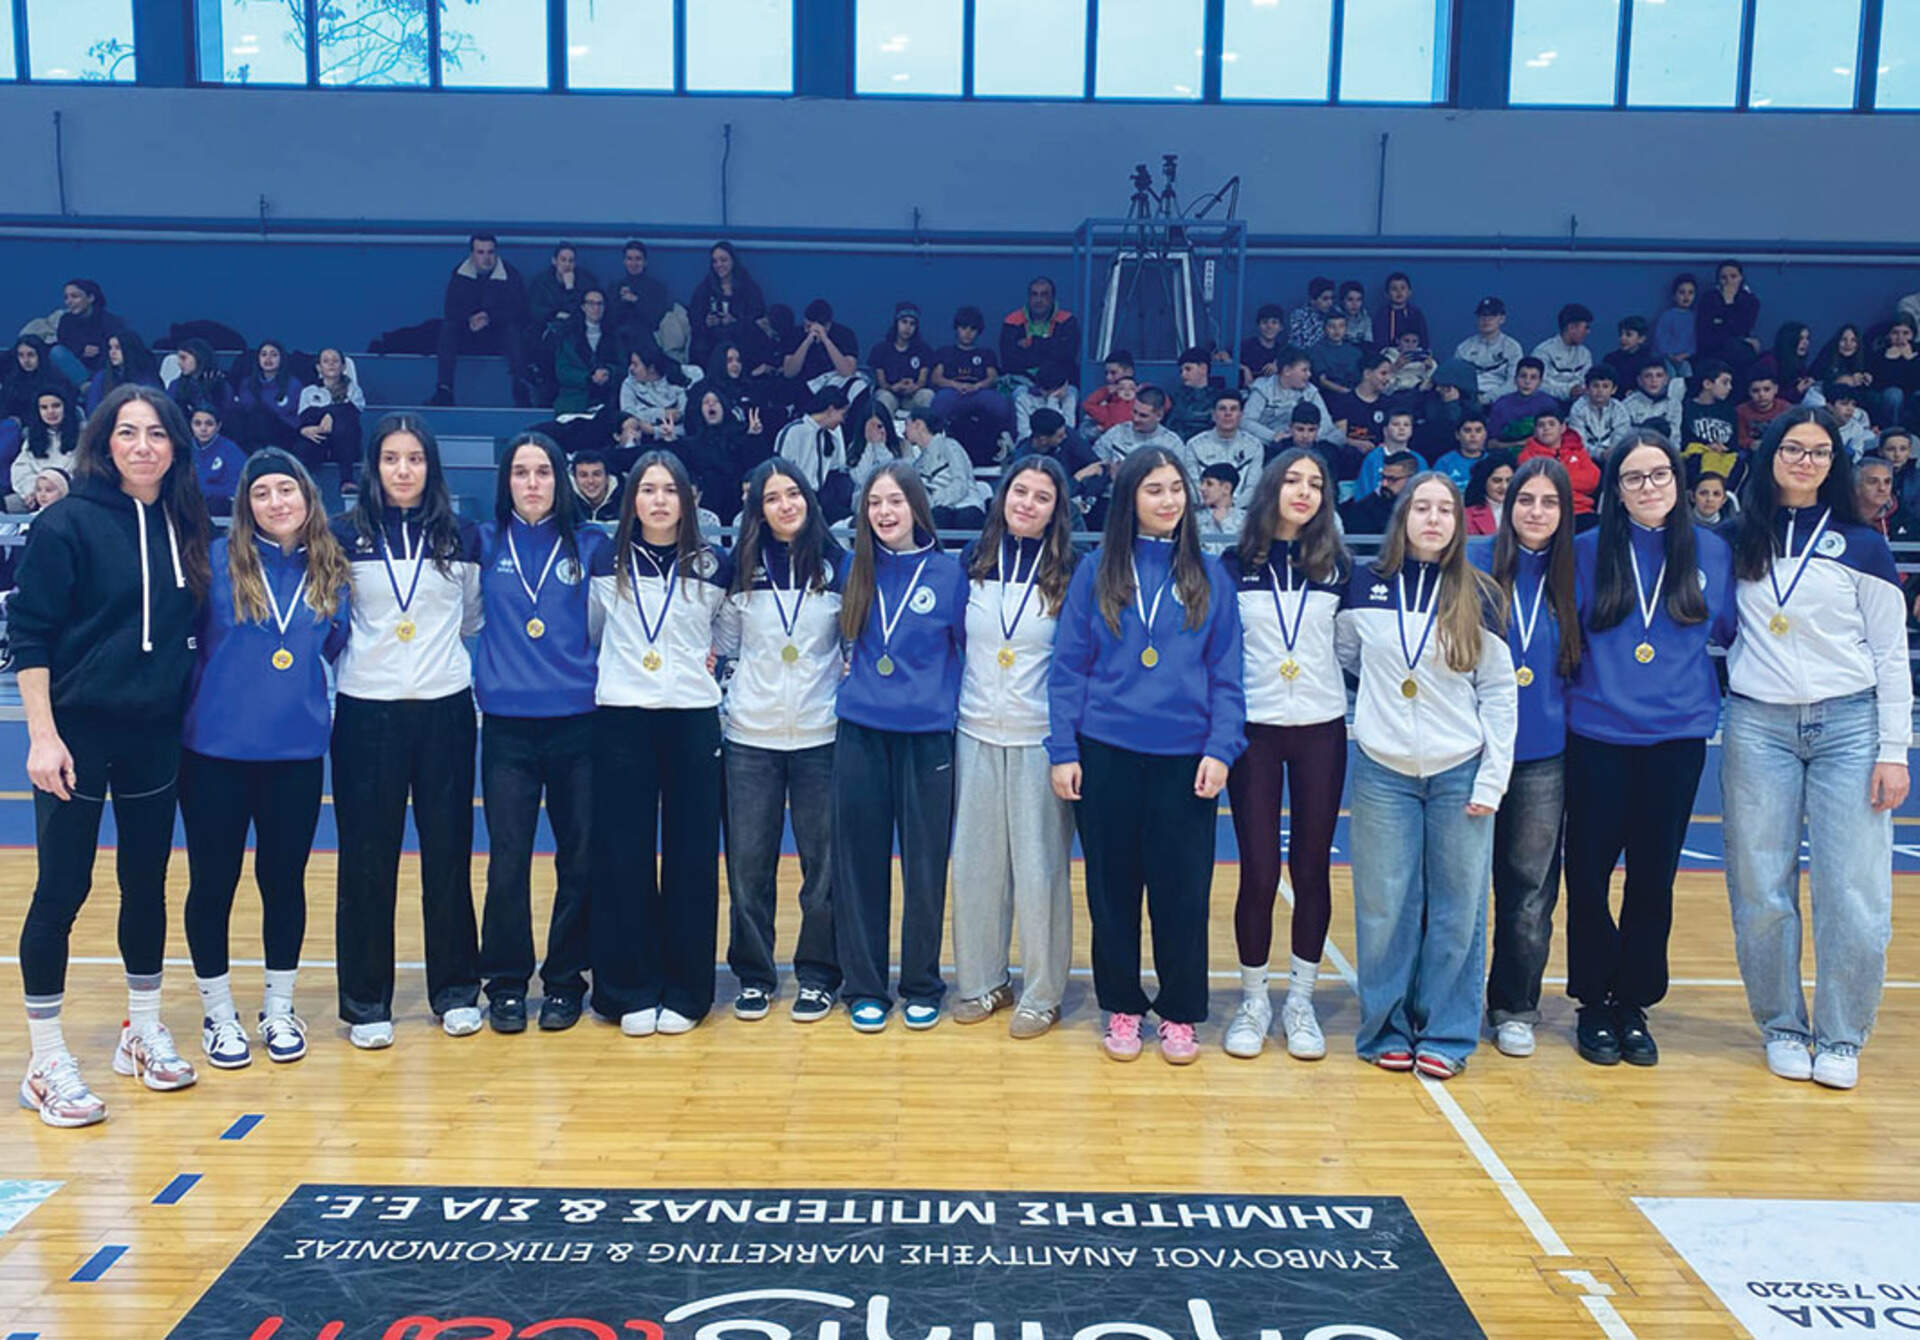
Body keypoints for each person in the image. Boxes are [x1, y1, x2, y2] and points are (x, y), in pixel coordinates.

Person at [12, 385, 213, 1126]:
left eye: (156, 433)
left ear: (175, 445)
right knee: (62, 888)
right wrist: (42, 735)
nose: (142, 446)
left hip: (153, 734)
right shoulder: (66, 521)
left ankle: (141, 1030)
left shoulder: (185, 522)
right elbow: (30, 634)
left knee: (146, 883)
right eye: (128, 432)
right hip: (77, 733)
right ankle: (44, 1059)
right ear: (104, 441)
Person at [1724, 409, 1910, 1090]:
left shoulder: (1862, 545)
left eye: (1821, 451)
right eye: (1794, 448)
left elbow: (1891, 654)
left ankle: (1840, 1036)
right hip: (1758, 725)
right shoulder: (1737, 538)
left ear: (1836, 462)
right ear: (1771, 453)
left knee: (1853, 890)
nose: (1806, 461)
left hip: (1850, 726)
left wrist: (1895, 749)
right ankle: (1781, 1025)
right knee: (1760, 885)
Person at [1048, 448, 1245, 1065]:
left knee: (1182, 892)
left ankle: (1180, 1012)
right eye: (1154, 489)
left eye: (1176, 488)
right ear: (1130, 499)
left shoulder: (1210, 576)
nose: (1168, 500)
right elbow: (1068, 668)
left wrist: (1222, 748)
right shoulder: (1096, 572)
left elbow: (1228, 674)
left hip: (1185, 759)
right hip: (1105, 753)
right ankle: (1122, 1006)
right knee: (1112, 892)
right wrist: (1063, 749)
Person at [1564, 430, 1736, 1068]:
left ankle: (1633, 1001)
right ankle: (1592, 1000)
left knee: (1653, 877)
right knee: (1587, 875)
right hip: (1597, 735)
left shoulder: (1712, 552)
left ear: (1678, 481)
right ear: (1616, 489)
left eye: (1659, 474)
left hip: (1677, 739)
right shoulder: (1585, 551)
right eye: (1633, 477)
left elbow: (1731, 629)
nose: (1649, 487)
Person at [1335, 471, 1514, 1079]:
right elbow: (1348, 656)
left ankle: (1447, 1031)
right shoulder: (1364, 584)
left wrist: (1492, 779)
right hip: (1383, 771)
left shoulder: (1479, 593)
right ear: (1403, 517)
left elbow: (1499, 693)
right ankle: (1384, 1027)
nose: (1433, 519)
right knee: (1385, 906)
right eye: (1422, 508)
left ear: (1459, 523)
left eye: (1445, 510)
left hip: (1459, 770)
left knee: (1458, 907)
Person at [180, 450, 351, 1069]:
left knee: (283, 883)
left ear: (307, 496)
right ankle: (218, 1012)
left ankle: (279, 1008)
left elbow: (335, 647)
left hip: (295, 755)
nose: (276, 502)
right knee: (213, 883)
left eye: (286, 489)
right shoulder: (212, 564)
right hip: (214, 755)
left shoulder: (331, 572)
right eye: (262, 493)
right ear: (245, 505)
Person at [330, 414, 485, 1049]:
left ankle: (456, 990)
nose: (403, 470)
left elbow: (470, 619)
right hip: (366, 710)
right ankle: (366, 1001)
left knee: (448, 853)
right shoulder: (342, 535)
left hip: (445, 707)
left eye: (415, 459)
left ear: (431, 467)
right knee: (367, 859)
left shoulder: (462, 537)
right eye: (391, 458)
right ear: (374, 467)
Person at [587, 450, 732, 1036]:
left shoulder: (713, 564)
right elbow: (595, 629)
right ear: (632, 499)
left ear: (687, 499)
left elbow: (725, 635)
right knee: (623, 855)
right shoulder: (606, 559)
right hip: (623, 717)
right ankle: (628, 988)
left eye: (670, 490)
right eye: (648, 489)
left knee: (691, 856)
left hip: (692, 717)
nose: (659, 500)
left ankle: (688, 990)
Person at [474, 433, 608, 1036]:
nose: (532, 483)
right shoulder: (483, 543)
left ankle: (565, 980)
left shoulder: (591, 545)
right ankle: (505, 983)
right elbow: (469, 616)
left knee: (579, 859)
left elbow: (603, 629)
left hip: (578, 724)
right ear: (506, 482)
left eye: (544, 472)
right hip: (507, 729)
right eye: (521, 472)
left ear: (561, 480)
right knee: (508, 860)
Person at [1221, 449, 1349, 1062]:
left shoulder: (1338, 568)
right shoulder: (1233, 565)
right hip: (1255, 734)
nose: (1304, 491)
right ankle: (1254, 1000)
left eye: (1316, 483)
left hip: (1321, 730)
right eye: (1293, 480)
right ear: (1272, 487)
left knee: (1311, 868)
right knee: (1259, 870)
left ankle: (1300, 1001)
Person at [833, 463, 969, 1033]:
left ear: (916, 506)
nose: (884, 513)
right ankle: (864, 986)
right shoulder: (852, 568)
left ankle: (921, 984)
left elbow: (967, 652)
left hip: (927, 737)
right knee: (859, 865)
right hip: (860, 733)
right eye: (874, 503)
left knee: (924, 867)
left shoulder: (950, 574)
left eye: (894, 501)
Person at [714, 460, 848, 1024]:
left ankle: (818, 975)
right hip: (750, 736)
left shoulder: (839, 565)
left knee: (823, 869)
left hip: (821, 735)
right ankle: (754, 974)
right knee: (749, 868)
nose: (786, 505)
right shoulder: (739, 568)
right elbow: (724, 644)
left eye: (793, 493)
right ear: (758, 509)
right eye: (772, 498)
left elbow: (851, 642)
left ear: (809, 500)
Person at [950, 458, 1080, 1037]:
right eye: (1019, 492)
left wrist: (1066, 746)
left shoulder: (1072, 574)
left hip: (1038, 739)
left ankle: (1043, 993)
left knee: (1039, 870)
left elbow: (1076, 665)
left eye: (1041, 497)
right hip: (974, 730)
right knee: (975, 867)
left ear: (1057, 510)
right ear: (1002, 496)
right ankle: (983, 981)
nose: (1027, 504)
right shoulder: (972, 562)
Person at [1468, 458, 1581, 1060]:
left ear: (1565, 511)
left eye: (1549, 502)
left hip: (1542, 756)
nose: (1536, 512)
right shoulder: (1472, 562)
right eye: (1526, 500)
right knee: (1459, 884)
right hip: (1470, 750)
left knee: (1530, 889)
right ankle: (1452, 999)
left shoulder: (1578, 571)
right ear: (1507, 505)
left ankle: (1514, 1005)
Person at [431, 232, 530, 408]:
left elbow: (519, 310)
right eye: (481, 252)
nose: (486, 257)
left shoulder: (511, 275)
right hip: (468, 332)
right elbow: (451, 309)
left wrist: (489, 317)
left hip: (497, 335)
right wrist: (469, 319)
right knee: (448, 328)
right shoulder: (460, 274)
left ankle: (521, 387)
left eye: (490, 252)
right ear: (472, 254)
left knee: (513, 331)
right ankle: (444, 390)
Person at [931, 306, 1013, 455]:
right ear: (956, 328)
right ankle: (937, 442)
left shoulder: (986, 353)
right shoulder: (945, 352)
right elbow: (936, 378)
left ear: (978, 331)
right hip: (953, 392)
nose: (968, 333)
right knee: (940, 402)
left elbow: (993, 377)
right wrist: (956, 385)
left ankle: (1004, 440)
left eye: (973, 329)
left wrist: (977, 386)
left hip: (979, 393)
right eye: (964, 328)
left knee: (1000, 404)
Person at [773, 385, 854, 522]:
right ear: (831, 410)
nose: (843, 420)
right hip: (797, 497)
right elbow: (780, 470)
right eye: (842, 414)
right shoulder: (794, 432)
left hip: (824, 496)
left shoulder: (833, 431)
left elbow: (838, 466)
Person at [295, 348, 367, 491]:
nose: (331, 364)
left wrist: (330, 415)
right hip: (320, 438)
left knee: (344, 425)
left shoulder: (353, 389)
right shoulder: (309, 391)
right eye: (326, 361)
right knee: (304, 444)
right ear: (318, 367)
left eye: (335, 361)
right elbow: (306, 416)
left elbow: (353, 412)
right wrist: (307, 428)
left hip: (345, 443)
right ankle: (305, 484)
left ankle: (347, 480)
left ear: (343, 366)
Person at [688, 241, 767, 367]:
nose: (719, 265)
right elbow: (695, 318)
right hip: (712, 338)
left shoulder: (749, 288)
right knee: (700, 345)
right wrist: (706, 322)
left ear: (733, 261)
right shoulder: (704, 289)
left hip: (740, 337)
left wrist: (734, 320)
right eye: (715, 261)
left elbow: (757, 317)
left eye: (723, 260)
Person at [1517, 408, 1600, 518]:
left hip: (1581, 510)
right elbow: (1539, 485)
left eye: (1551, 424)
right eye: (1541, 425)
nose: (1546, 428)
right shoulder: (1526, 456)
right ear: (1535, 431)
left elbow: (1592, 480)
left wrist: (1555, 479)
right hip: (1546, 512)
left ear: (1562, 428)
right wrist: (1571, 480)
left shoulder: (1578, 450)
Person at [1186, 389, 1262, 508]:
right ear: (1213, 415)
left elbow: (1253, 487)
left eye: (1233, 409)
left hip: (1241, 511)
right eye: (1222, 409)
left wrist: (1231, 508)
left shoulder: (1254, 446)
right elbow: (1193, 485)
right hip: (1203, 509)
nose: (1228, 414)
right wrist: (1211, 506)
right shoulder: (1194, 445)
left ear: (1241, 415)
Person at [8, 390, 80, 514]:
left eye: (56, 406)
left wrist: (58, 489)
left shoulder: (84, 434)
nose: (50, 411)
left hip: (72, 495)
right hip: (37, 495)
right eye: (44, 407)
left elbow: (87, 471)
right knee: (8, 504)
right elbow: (20, 470)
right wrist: (34, 491)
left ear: (66, 407)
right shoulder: (32, 437)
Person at [999, 276, 1079, 384]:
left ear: (1052, 298)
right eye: (1034, 294)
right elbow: (1009, 362)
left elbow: (1067, 356)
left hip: (1060, 382)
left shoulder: (1067, 321)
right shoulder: (1012, 321)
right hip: (1021, 382)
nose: (1038, 300)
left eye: (1044, 295)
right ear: (1029, 297)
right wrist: (1050, 346)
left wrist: (1032, 343)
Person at [230, 340, 303, 453]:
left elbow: (291, 416)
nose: (268, 359)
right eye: (264, 354)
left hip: (283, 434)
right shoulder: (247, 383)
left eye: (274, 355)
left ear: (281, 359)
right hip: (253, 432)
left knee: (260, 413)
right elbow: (245, 409)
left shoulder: (293, 384)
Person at [1695, 259, 1761, 374]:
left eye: (1733, 277)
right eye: (1724, 278)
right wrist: (1727, 301)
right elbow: (1706, 334)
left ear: (1741, 278)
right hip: (1712, 351)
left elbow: (1741, 328)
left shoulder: (1750, 301)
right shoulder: (1709, 299)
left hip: (1738, 353)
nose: (1728, 282)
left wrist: (1724, 315)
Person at [869, 302, 935, 417]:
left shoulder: (924, 350)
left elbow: (922, 380)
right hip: (890, 394)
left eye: (912, 324)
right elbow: (881, 382)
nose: (907, 327)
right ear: (896, 323)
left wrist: (914, 387)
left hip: (913, 396)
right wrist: (893, 387)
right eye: (904, 322)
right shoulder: (880, 349)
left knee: (927, 395)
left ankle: (922, 428)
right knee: (884, 397)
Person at [54, 278, 125, 380]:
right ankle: (86, 385)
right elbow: (64, 345)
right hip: (76, 371)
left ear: (91, 298)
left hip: (105, 371)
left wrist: (99, 350)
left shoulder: (110, 321)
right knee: (56, 352)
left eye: (75, 296)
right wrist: (81, 350)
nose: (69, 302)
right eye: (66, 298)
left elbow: (118, 349)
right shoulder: (66, 321)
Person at [1455, 296, 1523, 405]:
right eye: (1482, 315)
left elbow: (1514, 383)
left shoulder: (1512, 347)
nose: (1486, 320)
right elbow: (1456, 378)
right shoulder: (1464, 347)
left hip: (1501, 400)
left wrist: (1488, 398)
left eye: (1492, 315)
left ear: (1502, 319)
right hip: (1468, 399)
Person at [1338, 448, 1417, 536]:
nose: (1384, 484)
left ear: (1411, 479)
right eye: (1383, 477)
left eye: (1392, 479)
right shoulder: (1364, 510)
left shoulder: (1420, 506)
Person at [84, 329, 163, 415]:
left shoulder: (147, 378)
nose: (112, 352)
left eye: (118, 348)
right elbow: (93, 410)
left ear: (129, 349)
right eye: (110, 348)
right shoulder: (101, 377)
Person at [188, 408, 247, 518]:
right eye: (197, 424)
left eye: (209, 424)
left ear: (218, 426)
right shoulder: (185, 449)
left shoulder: (230, 450)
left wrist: (204, 491)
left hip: (221, 510)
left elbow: (238, 488)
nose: (203, 429)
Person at [1487, 358, 1558, 445]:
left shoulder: (1549, 404)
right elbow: (1491, 444)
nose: (1527, 382)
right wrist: (1519, 444)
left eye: (1533, 377)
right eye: (1523, 376)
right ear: (1515, 379)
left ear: (1540, 382)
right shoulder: (1501, 404)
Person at [1532, 303, 1594, 402]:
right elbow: (1537, 385)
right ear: (1571, 327)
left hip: (1579, 404)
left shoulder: (1585, 354)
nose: (1588, 332)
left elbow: (1587, 382)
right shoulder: (1543, 352)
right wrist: (1568, 391)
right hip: (1547, 404)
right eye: (1586, 327)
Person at [1568, 365, 1632, 459]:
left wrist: (1612, 453)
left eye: (1605, 386)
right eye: (1595, 386)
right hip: (1585, 456)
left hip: (1613, 456)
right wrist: (1599, 454)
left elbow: (1621, 437)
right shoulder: (1578, 409)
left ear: (1614, 390)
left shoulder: (1620, 409)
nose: (1600, 390)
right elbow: (1577, 440)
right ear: (1587, 388)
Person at [165, 338, 232, 425]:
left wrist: (208, 393)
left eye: (183, 358)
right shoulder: (176, 385)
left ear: (199, 358)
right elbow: (169, 412)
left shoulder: (221, 385)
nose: (179, 363)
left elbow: (226, 415)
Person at [1870, 316, 1920, 430]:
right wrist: (1890, 360)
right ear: (1888, 335)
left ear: (1913, 335)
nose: (1900, 338)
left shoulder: (1918, 353)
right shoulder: (1880, 355)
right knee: (1894, 394)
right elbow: (1879, 384)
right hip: (1890, 399)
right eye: (1895, 333)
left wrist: (1910, 360)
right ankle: (1894, 431)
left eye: (1906, 333)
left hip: (1914, 396)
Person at [1194, 462, 1246, 554]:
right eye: (1202, 483)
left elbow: (1242, 550)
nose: (1202, 488)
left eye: (1209, 484)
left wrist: (1225, 523)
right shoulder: (1195, 518)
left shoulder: (1246, 519)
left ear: (1226, 488)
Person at [1434, 412, 1491, 494]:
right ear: (1457, 435)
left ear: (1485, 435)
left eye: (1478, 431)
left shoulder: (1492, 462)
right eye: (1467, 431)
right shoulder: (1444, 463)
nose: (1473, 435)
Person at [1375, 272, 1429, 352]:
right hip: (1389, 354)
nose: (1399, 292)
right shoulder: (1382, 315)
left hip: (1414, 352)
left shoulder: (1416, 314)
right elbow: (1380, 342)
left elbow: (1424, 340)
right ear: (1387, 294)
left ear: (1409, 292)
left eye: (1403, 288)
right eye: (1394, 289)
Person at [1736, 373, 1791, 450]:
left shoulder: (1786, 409)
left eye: (1767, 389)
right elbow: (1740, 439)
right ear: (1749, 392)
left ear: (1776, 389)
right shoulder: (1741, 411)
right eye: (1755, 391)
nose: (1761, 395)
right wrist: (1751, 444)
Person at [1654, 273, 1698, 370]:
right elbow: (1660, 338)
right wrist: (1670, 355)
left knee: (1686, 369)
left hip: (1687, 358)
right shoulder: (1667, 315)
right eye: (1682, 292)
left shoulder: (1695, 317)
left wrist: (1685, 355)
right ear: (1674, 295)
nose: (1686, 296)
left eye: (1690, 293)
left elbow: (1695, 341)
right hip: (1667, 357)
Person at [1464, 455, 1514, 536]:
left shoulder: (1521, 510)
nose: (1504, 487)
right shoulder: (1468, 516)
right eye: (1497, 481)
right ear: (1483, 482)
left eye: (1509, 481)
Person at [571, 449, 621, 522]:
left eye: (596, 474)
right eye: (583, 475)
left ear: (607, 478)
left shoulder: (624, 503)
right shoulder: (566, 505)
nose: (590, 481)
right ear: (575, 479)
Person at [1288, 277, 1336, 349]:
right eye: (1325, 299)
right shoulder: (1299, 316)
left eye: (1332, 298)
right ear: (1312, 300)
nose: (1330, 303)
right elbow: (1299, 345)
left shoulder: (1334, 312)